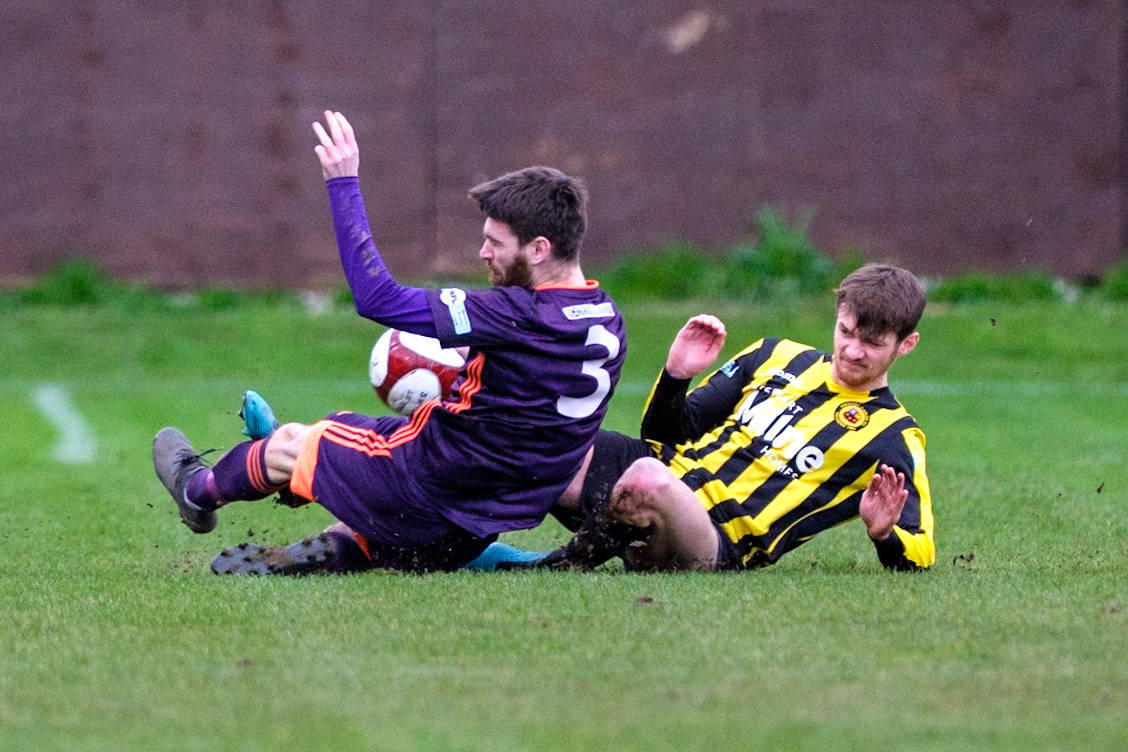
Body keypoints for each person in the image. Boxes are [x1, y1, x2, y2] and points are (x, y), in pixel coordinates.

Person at [153, 110, 626, 574]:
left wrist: (343, 182)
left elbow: (377, 297)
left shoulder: (514, 314)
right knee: (362, 459)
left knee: (300, 441)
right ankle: (343, 543)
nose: (483, 253)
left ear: (539, 249)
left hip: (428, 483)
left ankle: (200, 492)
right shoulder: (608, 323)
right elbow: (526, 392)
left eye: (494, 244)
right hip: (478, 521)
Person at [525, 263, 934, 572]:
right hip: (664, 474)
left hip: (714, 538)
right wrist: (675, 378)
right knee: (550, 440)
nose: (852, 350)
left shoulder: (894, 435)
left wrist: (885, 534)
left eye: (872, 343)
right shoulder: (777, 354)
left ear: (908, 344)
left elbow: (921, 551)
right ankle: (466, 539)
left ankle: (555, 566)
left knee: (647, 477)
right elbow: (666, 436)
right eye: (846, 332)